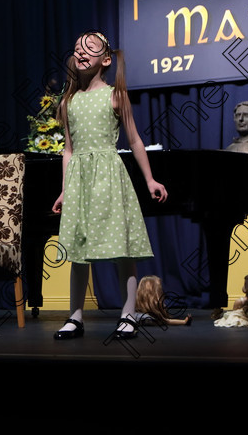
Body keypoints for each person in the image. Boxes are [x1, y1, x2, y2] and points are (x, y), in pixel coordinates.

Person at [51, 31, 168, 340]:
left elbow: (134, 139)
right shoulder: (69, 99)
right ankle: (75, 316)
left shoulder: (115, 94)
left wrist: (150, 179)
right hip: (79, 179)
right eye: (77, 48)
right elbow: (68, 149)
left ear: (105, 60)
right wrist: (65, 189)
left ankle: (128, 313)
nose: (80, 52)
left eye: (89, 48)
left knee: (121, 248)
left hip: (108, 174)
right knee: (78, 249)